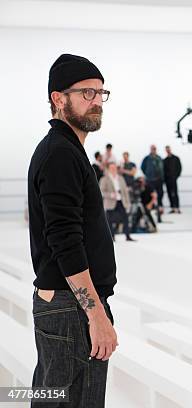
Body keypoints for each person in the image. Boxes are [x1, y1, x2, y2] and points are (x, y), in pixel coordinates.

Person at [27, 54, 118, 406]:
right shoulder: (61, 154)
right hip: (72, 309)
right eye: (86, 93)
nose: (96, 101)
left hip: (68, 307)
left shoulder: (65, 150)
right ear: (58, 98)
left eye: (100, 93)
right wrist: (95, 314)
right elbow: (65, 241)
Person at [100, 162, 135, 242]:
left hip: (121, 201)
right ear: (108, 169)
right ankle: (111, 237)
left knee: (125, 218)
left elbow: (125, 192)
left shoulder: (121, 178)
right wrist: (111, 195)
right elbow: (101, 191)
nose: (113, 169)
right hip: (110, 202)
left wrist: (128, 203)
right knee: (109, 221)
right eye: (111, 168)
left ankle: (128, 236)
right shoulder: (104, 179)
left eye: (114, 167)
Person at [141, 144, 164, 213]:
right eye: (152, 148)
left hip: (159, 180)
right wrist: (148, 174)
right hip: (150, 180)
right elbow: (142, 167)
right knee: (151, 194)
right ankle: (152, 207)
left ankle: (160, 207)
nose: (153, 150)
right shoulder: (147, 158)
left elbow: (162, 168)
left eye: (154, 148)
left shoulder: (159, 158)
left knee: (160, 194)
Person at [163, 145, 182, 214]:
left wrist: (176, 176)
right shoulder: (165, 160)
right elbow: (163, 171)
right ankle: (173, 208)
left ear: (170, 149)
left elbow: (179, 168)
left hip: (174, 179)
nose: (168, 150)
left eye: (168, 149)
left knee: (175, 193)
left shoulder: (176, 158)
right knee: (169, 194)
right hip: (167, 180)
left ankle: (177, 207)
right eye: (166, 149)